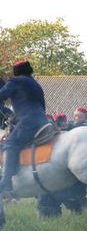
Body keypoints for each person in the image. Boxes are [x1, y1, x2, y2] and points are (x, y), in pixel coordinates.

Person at [0, 60, 49, 194]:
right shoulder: (35, 84)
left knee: (10, 143)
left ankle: (6, 182)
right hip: (42, 120)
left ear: (16, 71)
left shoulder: (15, 81)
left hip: (28, 121)